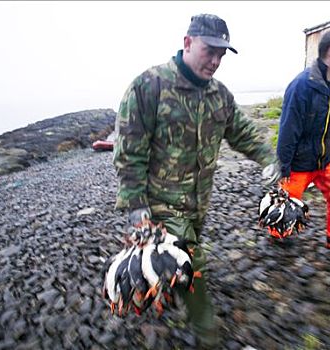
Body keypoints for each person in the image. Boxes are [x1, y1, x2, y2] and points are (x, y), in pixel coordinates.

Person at [113, 14, 280, 347]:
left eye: (221, 54)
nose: (216, 61)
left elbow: (242, 132)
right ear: (188, 43)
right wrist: (135, 206)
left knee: (175, 261)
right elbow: (129, 152)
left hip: (198, 203)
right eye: (209, 51)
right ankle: (208, 334)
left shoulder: (220, 95)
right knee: (192, 260)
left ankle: (169, 287)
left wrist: (268, 158)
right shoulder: (149, 86)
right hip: (160, 205)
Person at [276, 28, 330, 249]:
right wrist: (284, 165)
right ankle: (277, 235)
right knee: (285, 201)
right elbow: (288, 129)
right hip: (299, 161)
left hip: (325, 156)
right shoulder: (302, 85)